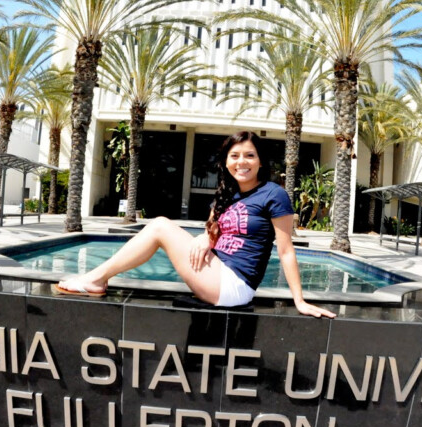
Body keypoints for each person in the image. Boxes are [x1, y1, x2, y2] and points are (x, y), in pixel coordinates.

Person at [56, 131, 336, 318]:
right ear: (226, 162)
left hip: (234, 285)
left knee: (160, 226)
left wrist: (299, 301)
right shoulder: (227, 194)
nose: (242, 162)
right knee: (160, 228)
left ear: (261, 161)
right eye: (234, 156)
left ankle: (95, 279)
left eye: (250, 155)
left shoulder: (273, 194)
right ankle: (96, 278)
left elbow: (285, 251)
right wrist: (205, 238)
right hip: (217, 270)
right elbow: (213, 230)